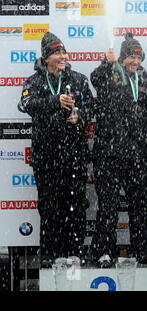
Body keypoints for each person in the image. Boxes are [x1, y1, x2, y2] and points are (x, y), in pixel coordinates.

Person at [90, 33, 147, 267]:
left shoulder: (143, 77)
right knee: (109, 206)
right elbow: (95, 79)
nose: (135, 62)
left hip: (136, 151)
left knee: (141, 204)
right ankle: (104, 251)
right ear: (122, 58)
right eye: (131, 57)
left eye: (138, 57)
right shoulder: (109, 72)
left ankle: (142, 248)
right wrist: (107, 62)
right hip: (109, 153)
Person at [18, 32, 93, 268]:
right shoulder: (34, 81)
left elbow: (92, 107)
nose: (62, 56)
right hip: (46, 158)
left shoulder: (78, 79)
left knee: (76, 207)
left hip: (74, 157)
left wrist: (79, 116)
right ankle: (50, 255)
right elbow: (26, 105)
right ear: (46, 57)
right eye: (56, 53)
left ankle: (76, 252)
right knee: (50, 209)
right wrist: (55, 101)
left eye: (63, 52)